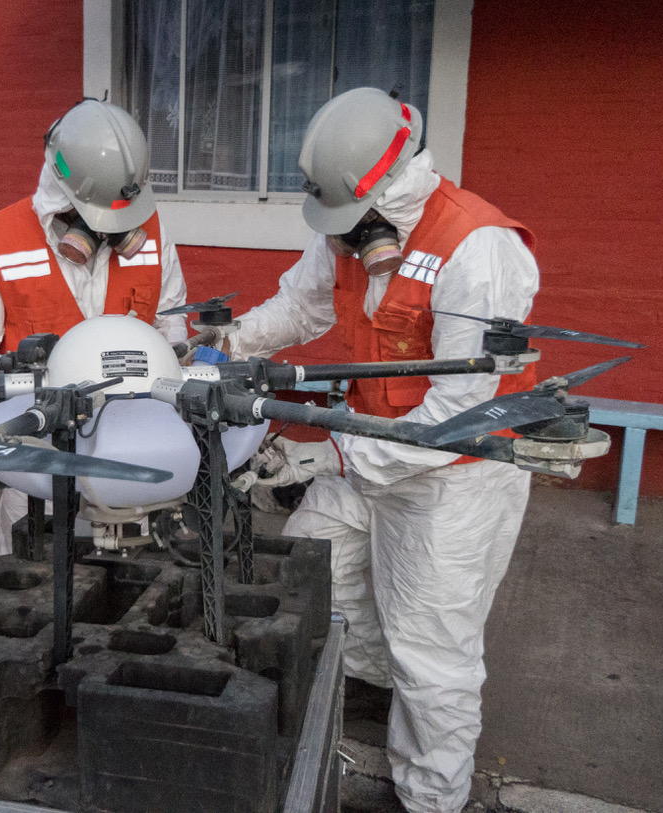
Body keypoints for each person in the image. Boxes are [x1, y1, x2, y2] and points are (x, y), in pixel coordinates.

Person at [231, 87, 539, 813]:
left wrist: (329, 458)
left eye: (350, 224)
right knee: (313, 559)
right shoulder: (347, 224)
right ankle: (370, 680)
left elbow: (459, 414)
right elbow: (302, 304)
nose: (343, 240)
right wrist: (227, 344)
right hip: (370, 446)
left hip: (457, 478)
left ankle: (430, 794)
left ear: (391, 186)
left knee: (433, 648)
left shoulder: (479, 249)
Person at [0, 99, 188, 553]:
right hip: (38, 476)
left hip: (136, 477)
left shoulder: (152, 237)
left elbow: (172, 328)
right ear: (63, 198)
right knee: (36, 592)